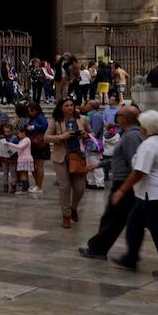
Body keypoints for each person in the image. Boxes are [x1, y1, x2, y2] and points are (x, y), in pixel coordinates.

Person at [111, 110, 158, 279]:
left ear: (144, 128)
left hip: (152, 195)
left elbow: (139, 172)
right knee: (134, 224)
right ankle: (131, 258)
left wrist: (122, 190)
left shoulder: (148, 145)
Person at [80, 105, 145, 259]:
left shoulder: (131, 136)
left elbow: (135, 163)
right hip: (127, 183)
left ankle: (98, 249)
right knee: (126, 220)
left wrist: (123, 189)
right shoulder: (130, 134)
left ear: (125, 118)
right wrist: (99, 165)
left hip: (125, 183)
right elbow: (120, 159)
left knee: (113, 219)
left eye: (119, 115)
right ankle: (99, 248)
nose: (116, 118)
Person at [46, 97, 90, 228]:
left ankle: (73, 207)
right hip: (61, 157)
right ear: (61, 108)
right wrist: (61, 137)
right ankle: (66, 215)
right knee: (65, 187)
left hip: (77, 156)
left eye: (71, 105)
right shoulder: (55, 121)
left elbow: (91, 133)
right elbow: (46, 137)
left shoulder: (82, 119)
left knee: (80, 188)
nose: (70, 107)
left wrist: (85, 135)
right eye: (66, 105)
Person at [25, 99, 50, 195]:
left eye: (31, 110)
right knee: (34, 166)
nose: (30, 112)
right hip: (34, 144)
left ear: (36, 110)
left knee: (39, 166)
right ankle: (37, 184)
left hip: (40, 144)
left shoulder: (40, 117)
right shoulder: (33, 118)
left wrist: (33, 127)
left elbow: (45, 125)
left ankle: (39, 186)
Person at [0, 125, 19, 193]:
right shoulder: (1, 137)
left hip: (12, 157)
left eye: (8, 131)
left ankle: (13, 186)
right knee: (5, 172)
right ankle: (5, 185)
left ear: (11, 131)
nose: (6, 133)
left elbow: (16, 147)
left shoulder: (14, 138)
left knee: (13, 172)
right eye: (5, 131)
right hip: (4, 157)